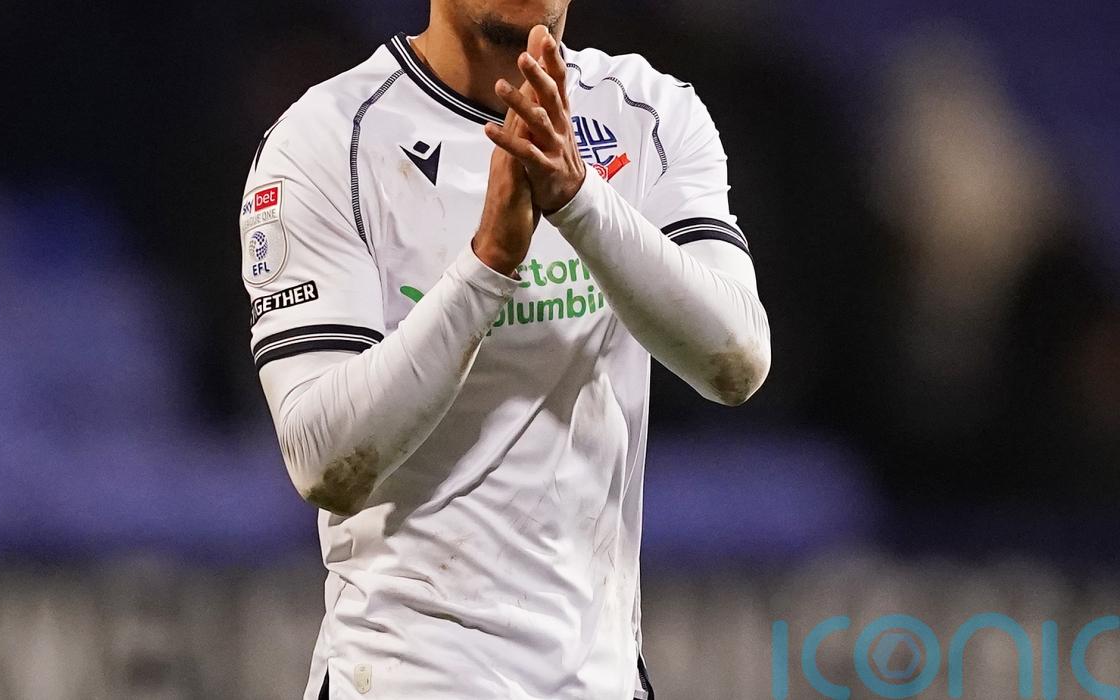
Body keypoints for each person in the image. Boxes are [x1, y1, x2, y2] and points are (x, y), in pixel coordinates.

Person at [238, 1, 770, 696]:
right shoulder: (328, 139)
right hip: (406, 679)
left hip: (598, 680)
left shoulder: (650, 114)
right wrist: (489, 264)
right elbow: (322, 458)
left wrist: (578, 201)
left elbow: (737, 361)